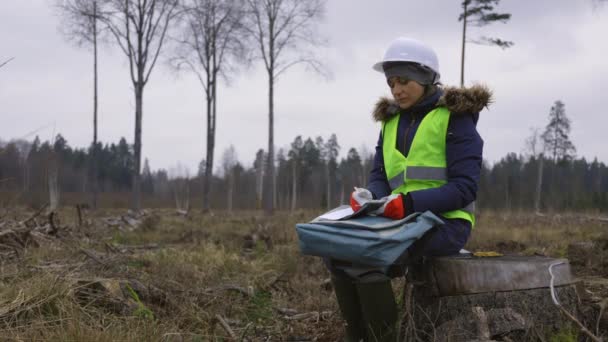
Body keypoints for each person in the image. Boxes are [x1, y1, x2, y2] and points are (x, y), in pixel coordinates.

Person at [329, 37, 492, 341]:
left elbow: (465, 188)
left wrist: (408, 203)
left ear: (427, 78)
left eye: (404, 81)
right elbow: (380, 174)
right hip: (398, 218)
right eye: (391, 83)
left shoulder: (456, 119)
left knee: (364, 258)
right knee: (337, 256)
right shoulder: (390, 122)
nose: (396, 90)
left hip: (446, 223)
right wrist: (370, 197)